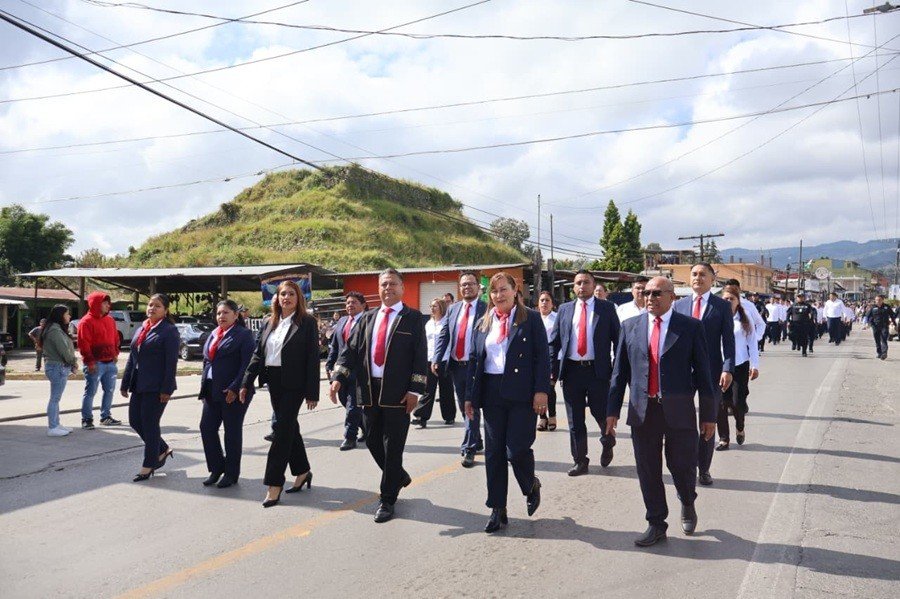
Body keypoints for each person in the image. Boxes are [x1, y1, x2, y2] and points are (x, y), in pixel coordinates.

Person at [607, 276, 717, 547]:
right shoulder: (630, 326)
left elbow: (704, 374)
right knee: (648, 469)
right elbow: (619, 374)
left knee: (682, 465)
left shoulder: (690, 327)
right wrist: (611, 411)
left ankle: (687, 500)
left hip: (679, 410)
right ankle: (656, 523)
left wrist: (709, 416)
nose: (650, 298)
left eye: (657, 293)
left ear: (672, 297)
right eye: (646, 293)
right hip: (643, 411)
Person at [331, 269, 428, 523]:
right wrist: (338, 378)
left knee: (393, 447)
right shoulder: (367, 318)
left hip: (398, 393)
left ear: (402, 288)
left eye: (393, 284)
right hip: (369, 392)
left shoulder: (413, 318)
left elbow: (420, 357)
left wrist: (415, 390)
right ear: (379, 288)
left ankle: (387, 499)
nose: (388, 288)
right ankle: (398, 475)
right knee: (373, 441)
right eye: (384, 284)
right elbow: (350, 352)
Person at [465, 272, 550, 533]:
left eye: (504, 289)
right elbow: (474, 362)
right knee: (494, 453)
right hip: (491, 394)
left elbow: (542, 357)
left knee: (516, 450)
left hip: (522, 394)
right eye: (494, 291)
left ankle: (530, 484)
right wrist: (469, 396)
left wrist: (541, 391)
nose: (499, 295)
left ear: (515, 291)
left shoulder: (531, 319)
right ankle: (497, 508)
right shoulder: (483, 322)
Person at [241, 281, 320, 507]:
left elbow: (312, 359)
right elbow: (258, 354)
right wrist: (246, 381)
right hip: (274, 382)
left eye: (291, 294)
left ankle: (274, 484)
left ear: (299, 298)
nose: (286, 297)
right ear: (277, 298)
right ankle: (303, 470)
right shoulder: (269, 322)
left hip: (295, 384)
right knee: (289, 427)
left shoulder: (307, 323)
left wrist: (312, 392)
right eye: (282, 294)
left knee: (281, 430)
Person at [551, 270, 621, 475]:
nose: (582, 286)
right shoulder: (564, 310)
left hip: (597, 372)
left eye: (586, 282)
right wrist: (552, 372)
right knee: (575, 420)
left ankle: (608, 440)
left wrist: (617, 369)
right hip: (572, 371)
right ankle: (580, 460)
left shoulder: (606, 309)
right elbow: (554, 343)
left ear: (593, 285)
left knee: (600, 413)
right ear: (573, 287)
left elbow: (618, 342)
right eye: (578, 283)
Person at [673, 263, 734, 487]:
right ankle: (686, 464)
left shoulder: (721, 307)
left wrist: (728, 368)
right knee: (682, 421)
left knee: (708, 420)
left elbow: (728, 340)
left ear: (712, 279)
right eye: (694, 274)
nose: (698, 278)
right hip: (683, 373)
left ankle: (704, 468)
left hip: (712, 372)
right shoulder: (679, 306)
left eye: (702, 275)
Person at [120, 294, 180, 482]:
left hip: (157, 386)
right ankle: (161, 449)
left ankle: (148, 464)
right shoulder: (142, 328)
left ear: (165, 310)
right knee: (135, 421)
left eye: (157, 306)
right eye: (150, 305)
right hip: (139, 384)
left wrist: (166, 389)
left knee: (150, 424)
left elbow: (171, 363)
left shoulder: (169, 331)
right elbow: (132, 358)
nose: (152, 308)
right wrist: (125, 383)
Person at [198, 300, 255, 488]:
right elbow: (207, 361)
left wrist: (235, 387)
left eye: (226, 313)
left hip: (234, 391)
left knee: (231, 432)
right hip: (212, 389)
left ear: (235, 315)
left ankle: (231, 474)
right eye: (219, 313)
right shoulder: (214, 334)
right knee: (207, 428)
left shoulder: (244, 335)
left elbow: (247, 364)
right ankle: (216, 468)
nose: (221, 316)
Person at [433, 272, 487, 468]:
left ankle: (469, 448)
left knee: (470, 405)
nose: (467, 288)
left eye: (471, 284)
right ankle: (477, 439)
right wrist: (437, 357)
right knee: (463, 407)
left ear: (478, 287)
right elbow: (444, 335)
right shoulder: (453, 309)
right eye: (463, 285)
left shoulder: (486, 308)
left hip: (478, 366)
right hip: (457, 366)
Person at [716, 286, 760, 450]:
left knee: (737, 403)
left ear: (737, 301)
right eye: (725, 299)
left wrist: (755, 365)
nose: (727, 302)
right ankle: (724, 438)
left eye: (731, 299)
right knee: (721, 403)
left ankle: (740, 426)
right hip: (718, 365)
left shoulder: (744, 318)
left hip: (740, 365)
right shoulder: (716, 317)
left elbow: (752, 343)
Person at [326, 291, 368, 448]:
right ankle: (367, 428)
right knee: (345, 401)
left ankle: (350, 437)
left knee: (353, 405)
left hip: (359, 371)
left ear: (363, 305)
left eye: (354, 302)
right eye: (348, 303)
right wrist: (330, 365)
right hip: (341, 371)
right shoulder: (342, 321)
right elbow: (335, 347)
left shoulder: (367, 321)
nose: (350, 305)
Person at [78, 292, 122, 429]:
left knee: (109, 390)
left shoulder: (110, 320)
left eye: (108, 303)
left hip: (110, 362)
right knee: (90, 392)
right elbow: (83, 344)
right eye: (105, 303)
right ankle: (86, 419)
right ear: (96, 304)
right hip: (95, 363)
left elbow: (115, 339)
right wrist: (90, 362)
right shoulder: (86, 321)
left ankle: (105, 417)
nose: (108, 305)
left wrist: (115, 354)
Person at [412, 297, 456, 428]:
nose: (432, 308)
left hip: (444, 360)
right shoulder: (428, 323)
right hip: (429, 359)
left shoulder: (447, 323)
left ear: (441, 307)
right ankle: (421, 416)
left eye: (435, 306)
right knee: (427, 389)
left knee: (446, 390)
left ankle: (449, 416)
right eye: (431, 306)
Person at [41, 307, 77, 437]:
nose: (69, 316)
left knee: (56, 398)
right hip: (57, 367)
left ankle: (56, 424)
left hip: (57, 366)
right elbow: (63, 350)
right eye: (67, 314)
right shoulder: (55, 330)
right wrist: (73, 362)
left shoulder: (55, 328)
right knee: (55, 398)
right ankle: (53, 426)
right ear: (60, 315)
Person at [536, 291, 559, 431]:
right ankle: (542, 418)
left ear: (552, 303)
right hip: (537, 359)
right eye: (542, 300)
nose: (544, 303)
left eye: (547, 300)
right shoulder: (533, 318)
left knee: (549, 388)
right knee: (539, 388)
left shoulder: (557, 318)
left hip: (553, 358)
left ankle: (553, 416)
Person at [865, 295, 895, 360]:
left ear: (882, 300)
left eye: (879, 300)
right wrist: (868, 323)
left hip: (884, 326)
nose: (878, 301)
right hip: (875, 326)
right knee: (877, 340)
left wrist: (894, 323)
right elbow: (867, 316)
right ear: (875, 300)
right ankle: (879, 353)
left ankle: (884, 353)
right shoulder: (873, 307)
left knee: (884, 339)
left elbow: (892, 315)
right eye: (876, 300)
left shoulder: (887, 307)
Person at [786, 292, 816, 357]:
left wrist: (812, 316)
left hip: (804, 324)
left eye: (801, 297)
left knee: (804, 338)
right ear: (797, 298)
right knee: (791, 335)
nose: (800, 298)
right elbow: (788, 313)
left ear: (804, 298)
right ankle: (794, 343)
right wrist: (788, 321)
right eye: (799, 297)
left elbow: (812, 311)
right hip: (794, 324)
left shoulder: (807, 305)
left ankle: (804, 352)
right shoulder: (793, 305)